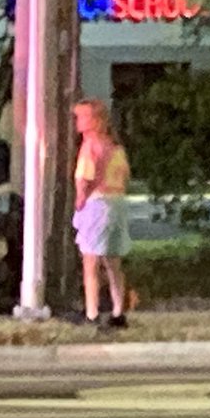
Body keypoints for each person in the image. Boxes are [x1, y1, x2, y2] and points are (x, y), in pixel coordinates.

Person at [71, 98, 134, 328]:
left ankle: (92, 312)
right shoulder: (116, 148)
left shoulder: (90, 146)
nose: (78, 121)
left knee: (90, 261)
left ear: (95, 121)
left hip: (97, 204)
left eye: (82, 117)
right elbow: (125, 176)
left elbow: (84, 177)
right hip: (117, 204)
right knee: (113, 262)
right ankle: (119, 311)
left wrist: (80, 199)